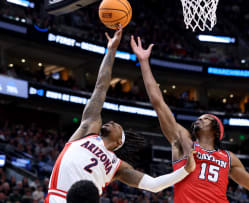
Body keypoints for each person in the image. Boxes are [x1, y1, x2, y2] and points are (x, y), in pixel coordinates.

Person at [131, 36, 249, 203]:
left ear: (216, 130)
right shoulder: (183, 143)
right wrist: (144, 62)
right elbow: (158, 103)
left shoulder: (229, 158)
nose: (199, 119)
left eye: (205, 118)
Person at [46, 27, 196, 203]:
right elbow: (101, 87)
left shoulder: (117, 166)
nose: (112, 122)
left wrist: (186, 169)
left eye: (118, 126)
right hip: (58, 197)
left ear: (119, 142)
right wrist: (111, 49)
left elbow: (154, 184)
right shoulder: (88, 129)